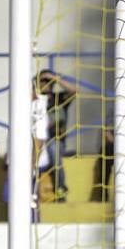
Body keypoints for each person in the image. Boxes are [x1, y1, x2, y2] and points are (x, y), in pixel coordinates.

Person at [36, 70, 78, 200]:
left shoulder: (59, 98)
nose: (44, 84)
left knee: (53, 150)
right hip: (37, 140)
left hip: (55, 140)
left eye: (47, 81)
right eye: (41, 81)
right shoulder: (34, 100)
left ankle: (61, 190)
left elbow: (75, 90)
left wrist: (54, 78)